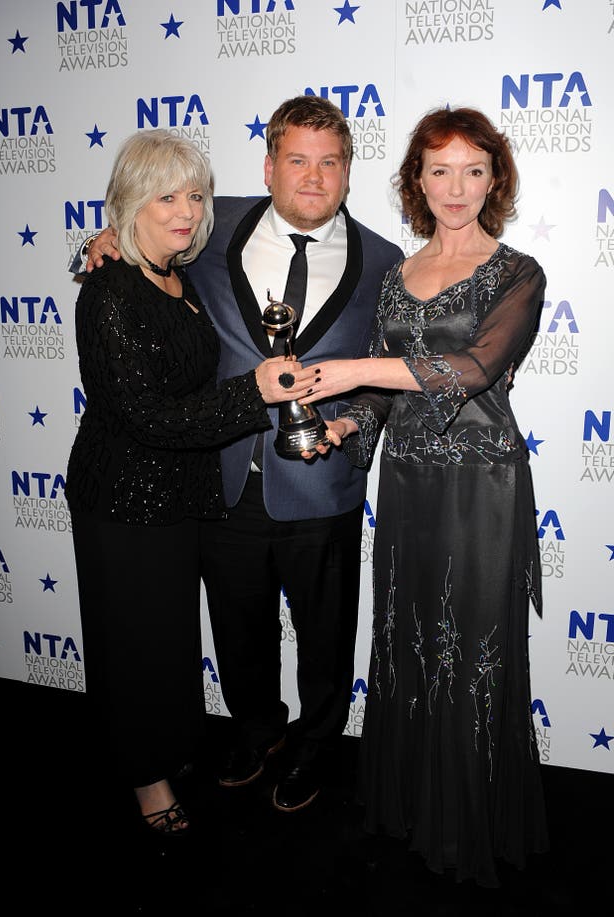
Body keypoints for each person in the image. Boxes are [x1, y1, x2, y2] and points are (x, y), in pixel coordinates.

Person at [81, 96, 401, 812]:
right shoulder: (209, 222)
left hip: (321, 482)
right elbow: (144, 227)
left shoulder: (385, 261)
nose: (313, 178)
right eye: (297, 160)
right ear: (269, 165)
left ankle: (317, 744)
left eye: (330, 163)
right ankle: (257, 731)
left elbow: (386, 374)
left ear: (348, 171)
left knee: (325, 634)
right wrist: (105, 239)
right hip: (220, 477)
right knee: (237, 626)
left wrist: (351, 426)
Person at [299, 107, 549, 885]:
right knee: (409, 645)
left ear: (494, 180)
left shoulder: (519, 273)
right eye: (439, 170)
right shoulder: (394, 273)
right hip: (406, 482)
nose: (455, 187)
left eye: (474, 170)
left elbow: (472, 369)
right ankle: (411, 808)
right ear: (416, 179)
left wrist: (356, 372)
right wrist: (344, 422)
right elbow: (381, 394)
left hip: (483, 485)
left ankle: (470, 824)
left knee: (471, 650)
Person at [65, 128, 316, 837]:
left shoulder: (186, 266)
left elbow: (274, 203)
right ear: (130, 203)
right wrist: (255, 395)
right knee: (132, 642)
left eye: (195, 194)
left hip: (179, 497)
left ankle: (166, 749)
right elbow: (145, 415)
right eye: (164, 195)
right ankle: (145, 779)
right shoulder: (110, 291)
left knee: (170, 640)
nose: (184, 209)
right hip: (122, 498)